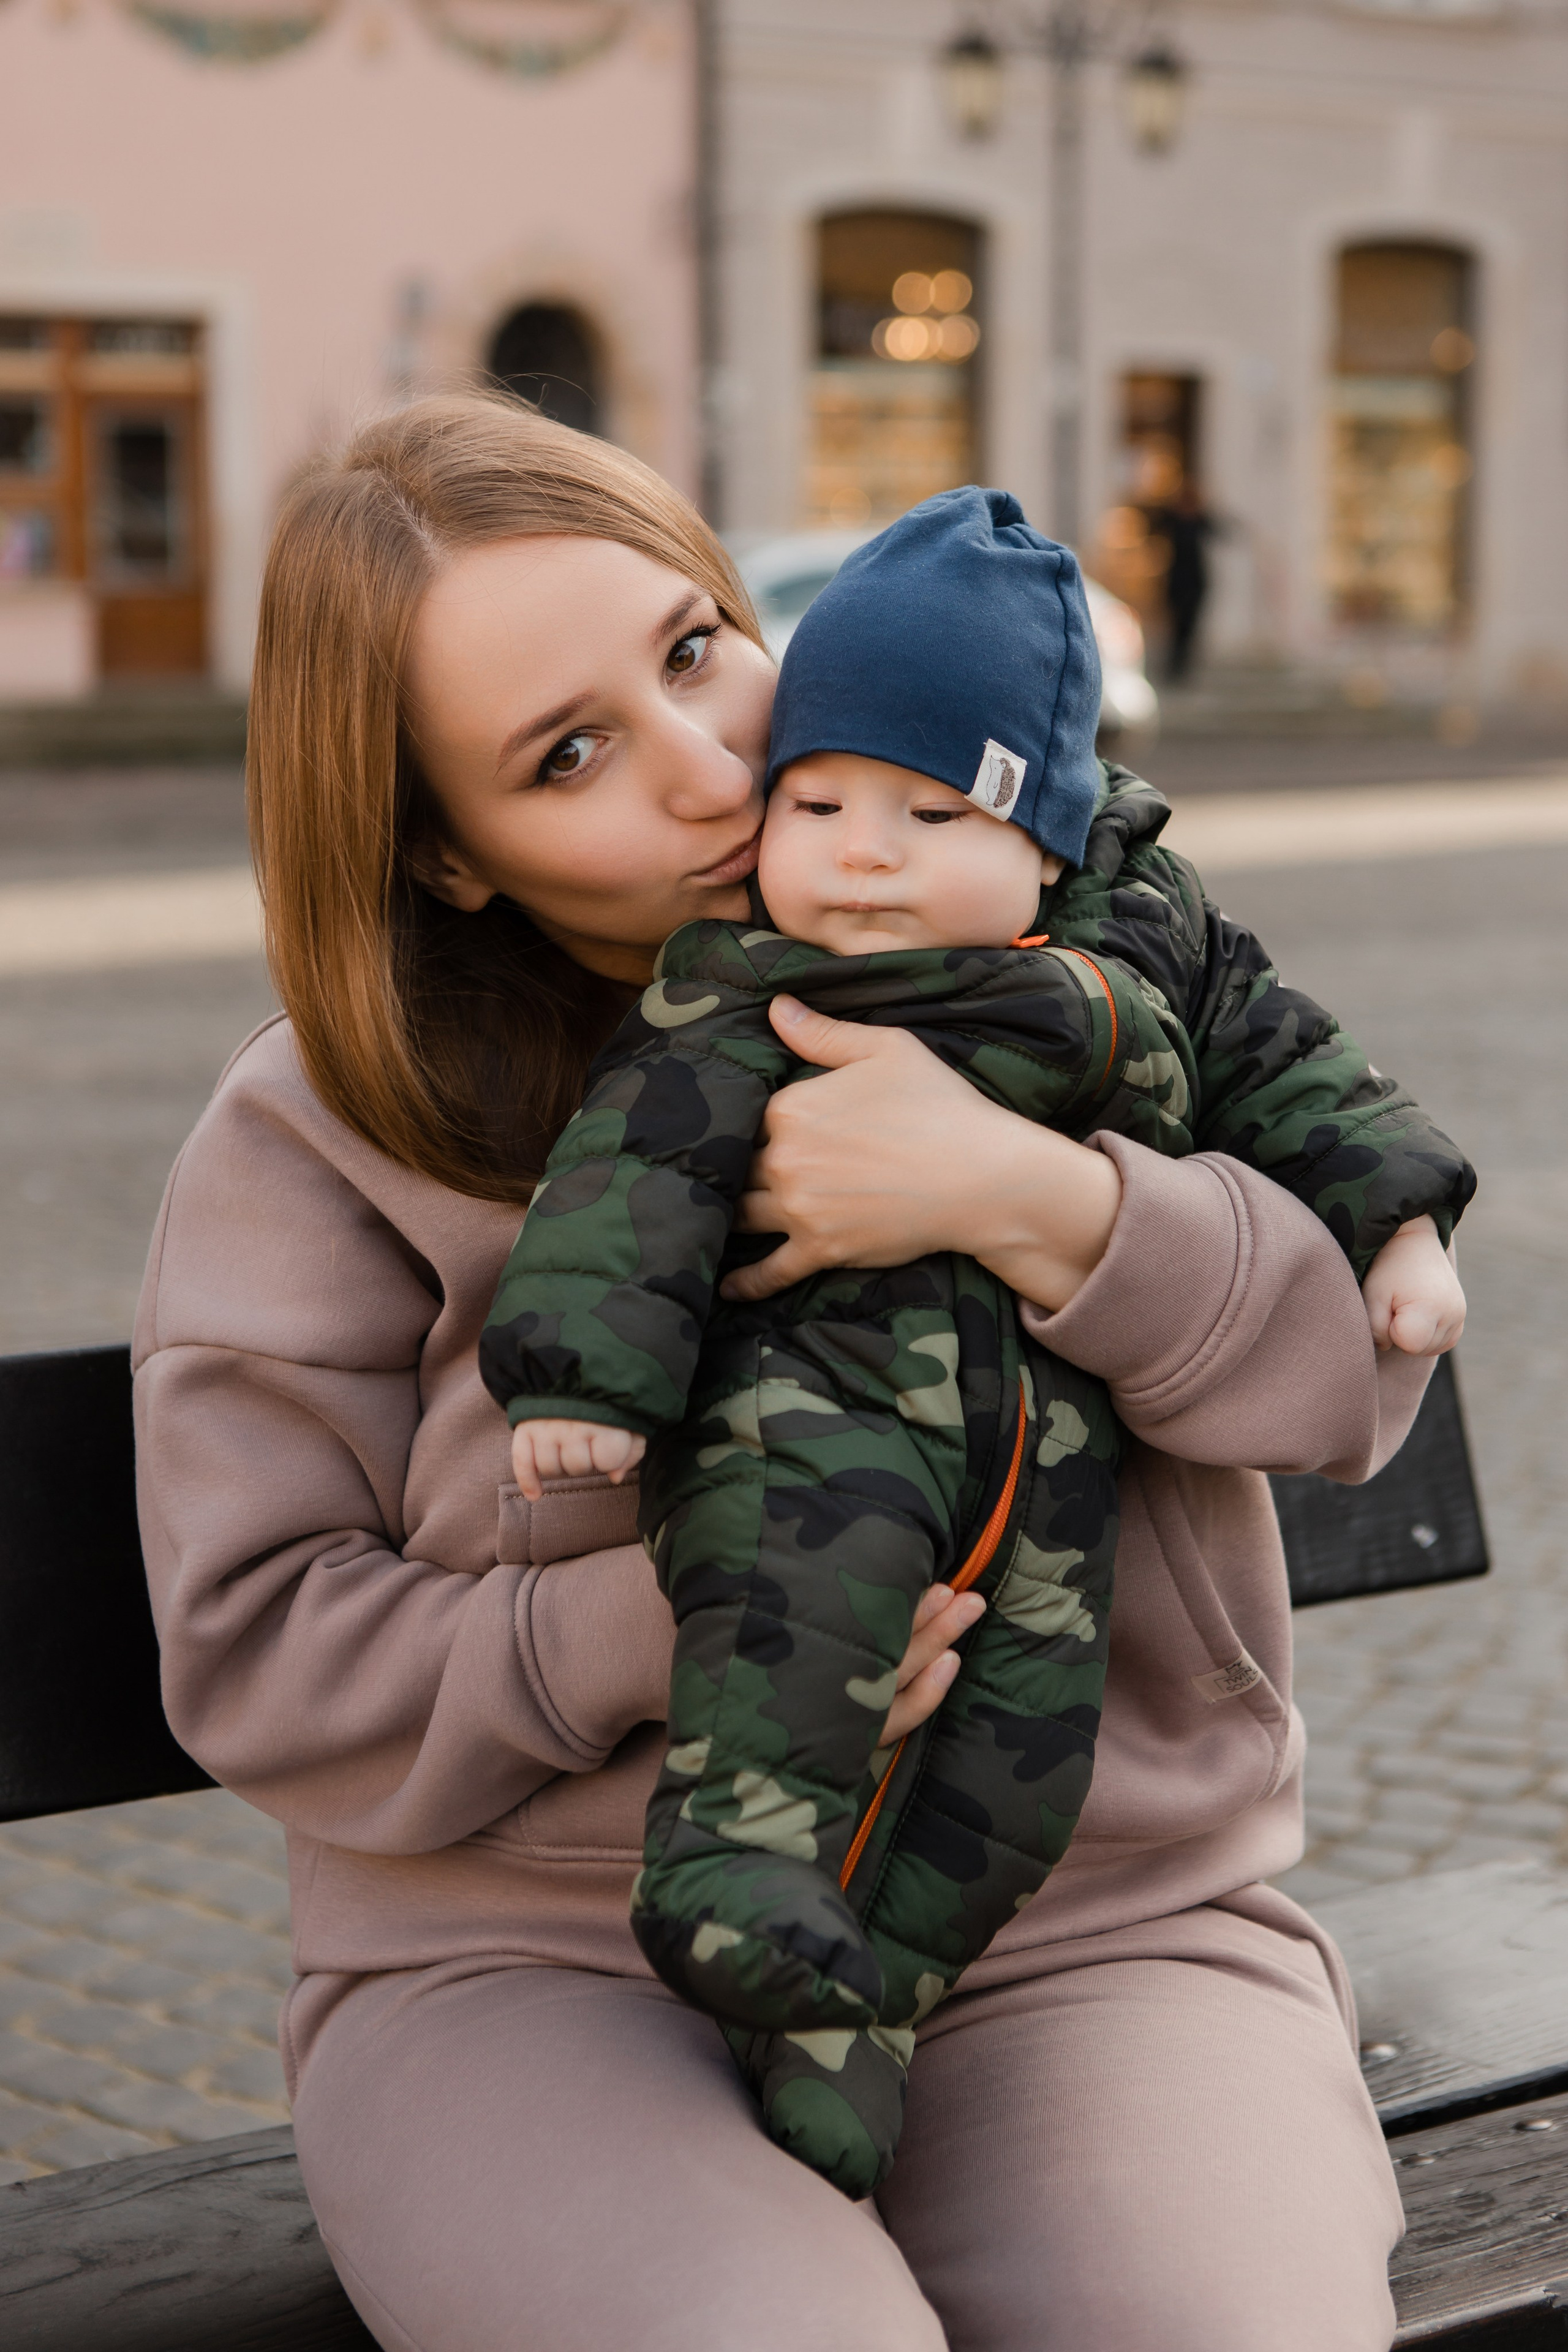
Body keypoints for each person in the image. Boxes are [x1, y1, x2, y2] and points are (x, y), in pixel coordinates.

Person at [135, 394, 1452, 2352]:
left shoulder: (1070, 938)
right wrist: (657, 1628)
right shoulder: (324, 1129)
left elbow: (1356, 1390)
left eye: (694, 650)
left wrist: (1046, 1205)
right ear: (449, 854)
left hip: (1092, 1937)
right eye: (569, 753)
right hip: (539, 1984)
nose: (707, 772)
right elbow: (255, 1649)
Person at [480, 488, 1472, 2195]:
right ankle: (727, 1872)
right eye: (819, 804)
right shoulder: (753, 980)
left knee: (1014, 1777)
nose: (860, 853)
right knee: (791, 1631)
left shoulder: (1148, 947)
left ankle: (854, 2010)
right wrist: (581, 1372)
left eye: (931, 812)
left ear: (1047, 841)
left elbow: (1293, 1065)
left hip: (1049, 1492)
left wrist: (1397, 1223)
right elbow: (634, 1167)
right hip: (813, 1426)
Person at [1150, 478, 1221, 680]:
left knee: (1190, 623)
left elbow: (1219, 530)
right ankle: (1174, 665)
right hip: (1177, 577)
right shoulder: (1172, 518)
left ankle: (1183, 665)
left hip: (1195, 579)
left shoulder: (1200, 519)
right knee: (1175, 622)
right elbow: (1154, 526)